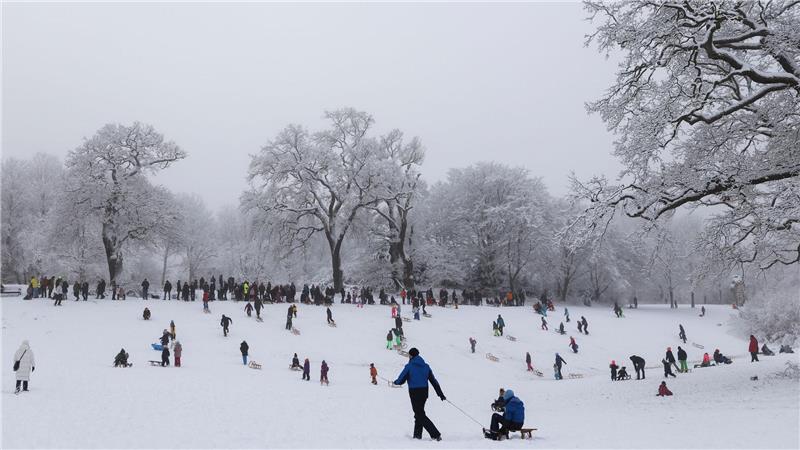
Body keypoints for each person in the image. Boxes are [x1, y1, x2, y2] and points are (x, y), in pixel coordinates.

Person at [393, 347, 445, 441]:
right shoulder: (426, 366)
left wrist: (396, 382)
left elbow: (401, 380)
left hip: (414, 393)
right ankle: (417, 436)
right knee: (419, 413)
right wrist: (440, 393)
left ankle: (435, 434)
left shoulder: (409, 366)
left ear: (411, 356)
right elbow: (433, 381)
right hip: (424, 393)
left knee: (419, 414)